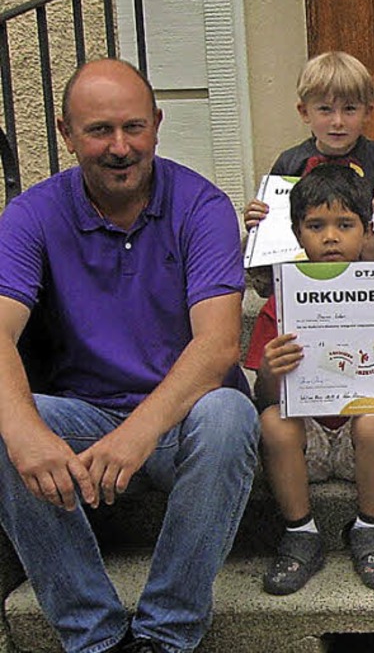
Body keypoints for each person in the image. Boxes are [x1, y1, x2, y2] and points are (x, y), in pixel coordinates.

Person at [0, 58, 258, 653]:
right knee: (6, 421)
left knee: (229, 414)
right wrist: (24, 431)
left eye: (134, 127)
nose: (120, 147)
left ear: (158, 125)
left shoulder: (201, 206)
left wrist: (139, 431)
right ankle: (92, 638)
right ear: (67, 134)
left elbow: (219, 344)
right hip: (82, 416)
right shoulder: (32, 215)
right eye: (99, 131)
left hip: (179, 423)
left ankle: (167, 635)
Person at [246, 165, 374, 595]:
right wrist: (269, 370)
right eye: (316, 226)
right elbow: (263, 397)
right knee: (271, 420)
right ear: (297, 233)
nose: (331, 237)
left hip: (364, 438)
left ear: (366, 229)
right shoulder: (280, 301)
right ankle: (301, 532)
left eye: (345, 224)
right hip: (309, 439)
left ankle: (370, 527)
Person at [243, 51, 374, 294]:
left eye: (349, 109)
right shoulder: (291, 163)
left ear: (368, 112)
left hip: (367, 280)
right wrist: (258, 222)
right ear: (304, 112)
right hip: (304, 282)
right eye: (325, 110)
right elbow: (275, 229)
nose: (337, 121)